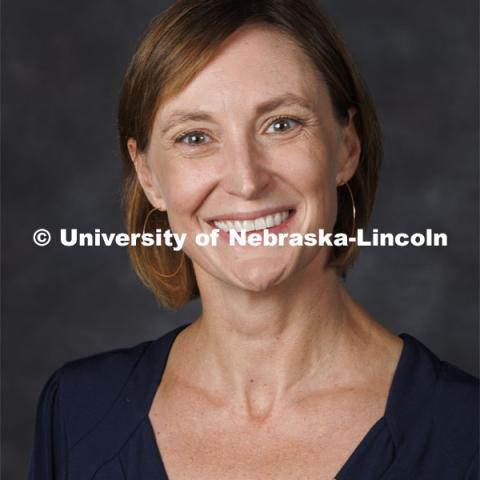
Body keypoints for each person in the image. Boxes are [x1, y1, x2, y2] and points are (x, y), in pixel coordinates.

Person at [28, 0, 478, 478]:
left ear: (346, 146)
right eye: (195, 137)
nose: (246, 180)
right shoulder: (76, 414)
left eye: (281, 125)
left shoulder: (466, 435)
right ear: (148, 176)